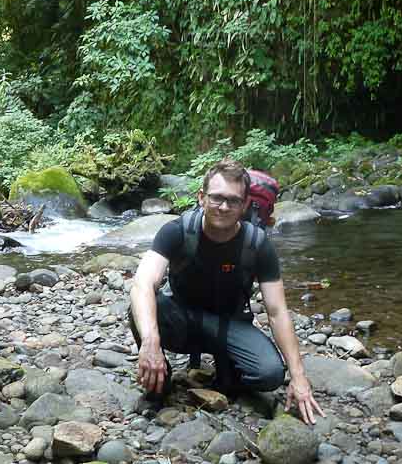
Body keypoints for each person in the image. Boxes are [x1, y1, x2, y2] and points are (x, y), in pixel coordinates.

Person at [129, 158, 324, 424]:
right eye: (217, 198)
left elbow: (277, 311)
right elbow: (143, 283)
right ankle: (159, 382)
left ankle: (227, 370)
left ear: (244, 205)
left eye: (233, 201)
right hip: (182, 319)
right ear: (202, 198)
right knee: (144, 305)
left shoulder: (257, 245)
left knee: (269, 374)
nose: (223, 207)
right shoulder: (177, 231)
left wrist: (299, 377)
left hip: (229, 325)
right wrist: (151, 343)